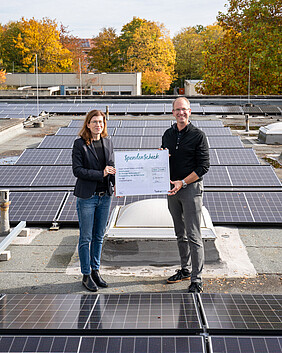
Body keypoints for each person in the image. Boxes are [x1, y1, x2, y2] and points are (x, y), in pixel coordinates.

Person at [161, 97, 210, 293]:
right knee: (180, 233)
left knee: (193, 234)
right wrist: (160, 157)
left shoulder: (199, 136)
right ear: (172, 112)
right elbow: (165, 158)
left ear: (189, 112)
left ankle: (197, 279)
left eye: (184, 110)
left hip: (190, 189)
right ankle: (185, 269)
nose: (181, 113)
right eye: (177, 110)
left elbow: (203, 166)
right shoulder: (168, 134)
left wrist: (183, 182)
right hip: (172, 189)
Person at [72, 110, 116, 292]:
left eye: (101, 122)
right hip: (87, 198)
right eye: (95, 122)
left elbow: (112, 168)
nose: (99, 125)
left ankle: (96, 271)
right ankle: (86, 274)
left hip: (105, 197)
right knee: (86, 237)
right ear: (88, 124)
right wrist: (101, 174)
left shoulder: (108, 142)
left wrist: (117, 185)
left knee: (99, 237)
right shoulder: (79, 144)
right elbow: (78, 171)